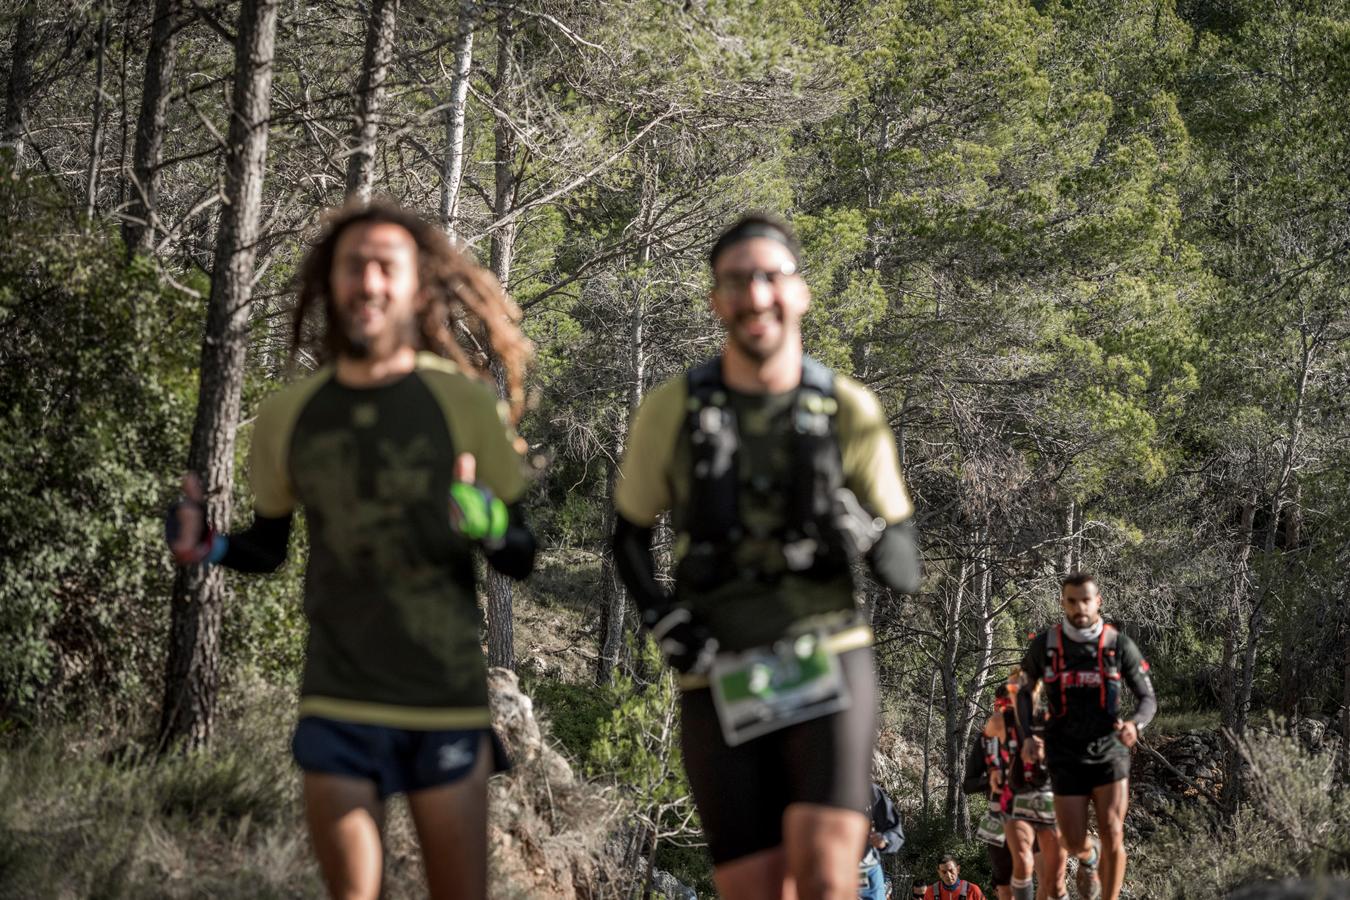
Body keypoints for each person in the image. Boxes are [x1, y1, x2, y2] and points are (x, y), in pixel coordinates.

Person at [165, 202, 535, 900]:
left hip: (446, 705)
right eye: (352, 266)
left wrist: (485, 519)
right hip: (338, 700)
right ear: (330, 285)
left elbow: (520, 554)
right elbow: (267, 548)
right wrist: (208, 547)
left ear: (417, 288)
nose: (368, 282)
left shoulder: (463, 403)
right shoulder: (290, 416)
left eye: (385, 267)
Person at [612, 214, 921, 900]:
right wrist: (664, 620)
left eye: (771, 277)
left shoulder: (847, 408)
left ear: (801, 292)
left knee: (822, 876)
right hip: (719, 672)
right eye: (736, 281)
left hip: (828, 658)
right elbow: (627, 536)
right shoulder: (674, 409)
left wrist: (856, 524)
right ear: (717, 300)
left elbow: (905, 566)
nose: (755, 296)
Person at [1018, 573, 1157, 900]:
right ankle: (1087, 855)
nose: (1079, 607)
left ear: (1098, 602)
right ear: (1063, 603)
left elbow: (1148, 698)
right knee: (1072, 837)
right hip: (1065, 753)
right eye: (1071, 600)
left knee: (1113, 832)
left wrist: (1135, 725)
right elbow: (1024, 692)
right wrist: (1028, 736)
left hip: (1110, 751)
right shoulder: (1046, 645)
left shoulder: (1117, 644)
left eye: (1085, 600)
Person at [1000, 671, 1068, 900]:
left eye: (1022, 691)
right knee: (1022, 862)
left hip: (1048, 802)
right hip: (1016, 803)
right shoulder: (1001, 723)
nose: (1016, 696)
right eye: (1012, 691)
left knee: (1053, 883)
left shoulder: (1049, 721)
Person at [964, 685, 1015, 900]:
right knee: (1002, 883)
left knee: (1042, 875)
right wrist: (989, 780)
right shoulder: (984, 741)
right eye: (998, 707)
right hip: (995, 814)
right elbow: (967, 786)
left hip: (1032, 812)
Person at [859, 781, 903, 900]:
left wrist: (884, 840)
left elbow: (895, 832)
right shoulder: (811, 786)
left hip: (866, 869)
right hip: (825, 868)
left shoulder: (870, 790)